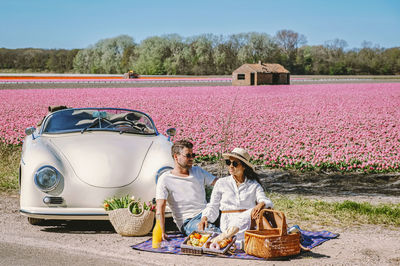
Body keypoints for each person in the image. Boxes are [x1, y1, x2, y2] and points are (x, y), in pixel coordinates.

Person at [198, 147, 274, 242]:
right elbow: (213, 205)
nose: (230, 166)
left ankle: (222, 239)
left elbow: (264, 199)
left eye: (235, 163)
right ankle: (226, 237)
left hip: (248, 225)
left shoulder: (253, 184)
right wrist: (205, 217)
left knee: (254, 211)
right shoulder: (221, 183)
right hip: (228, 224)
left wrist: (261, 204)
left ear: (244, 166)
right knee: (251, 212)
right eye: (228, 163)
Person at [156, 140, 220, 240]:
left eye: (192, 155)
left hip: (207, 213)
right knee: (212, 233)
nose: (191, 158)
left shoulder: (198, 171)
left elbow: (219, 183)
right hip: (188, 221)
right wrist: (161, 231)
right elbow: (160, 207)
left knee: (235, 220)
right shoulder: (165, 179)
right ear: (176, 157)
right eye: (188, 155)